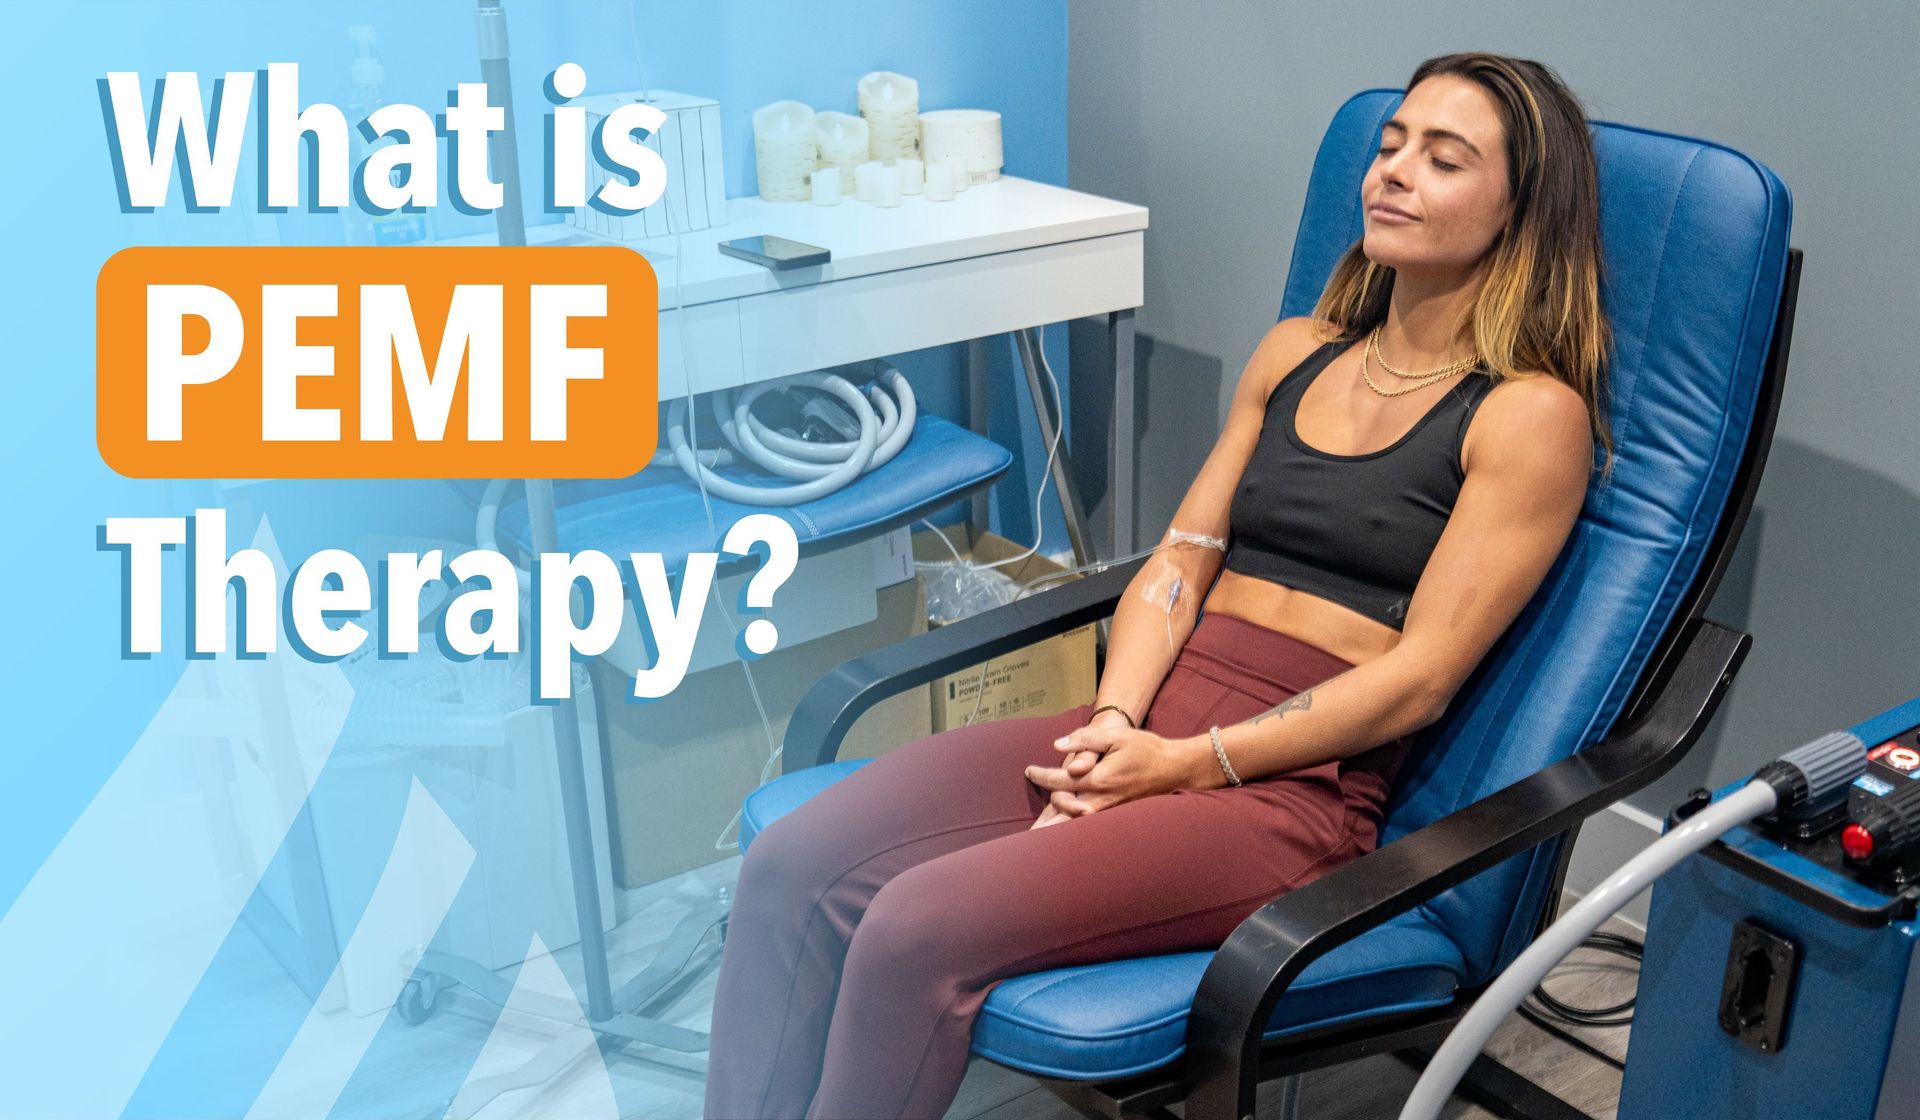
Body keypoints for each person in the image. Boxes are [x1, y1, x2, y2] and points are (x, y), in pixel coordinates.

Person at [703, 50, 1611, 1120]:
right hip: (1145, 713)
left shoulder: (1526, 415)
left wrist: (1183, 764)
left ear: (1518, 213)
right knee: (789, 863)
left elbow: (1419, 680)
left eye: (1444, 159)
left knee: (914, 929)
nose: (1394, 173)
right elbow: (1181, 557)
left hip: (1287, 789)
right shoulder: (1297, 352)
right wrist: (1117, 720)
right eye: (1390, 145)